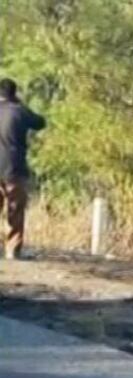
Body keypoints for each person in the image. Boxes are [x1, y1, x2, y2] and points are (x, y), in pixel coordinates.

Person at [0, 78, 46, 260]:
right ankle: (12, 250)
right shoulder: (19, 111)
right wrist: (20, 104)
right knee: (15, 209)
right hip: (14, 168)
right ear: (14, 93)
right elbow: (40, 123)